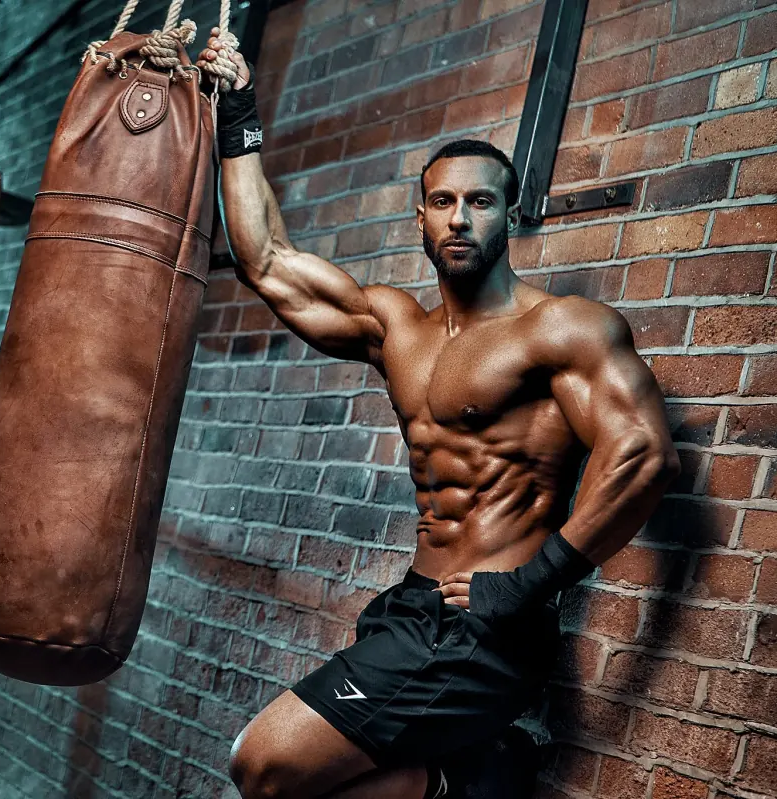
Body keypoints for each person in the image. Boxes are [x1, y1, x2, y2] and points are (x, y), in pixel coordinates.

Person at [199, 32, 680, 799]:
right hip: (412, 607)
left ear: (509, 216)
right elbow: (267, 262)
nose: (460, 218)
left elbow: (644, 457)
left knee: (262, 763)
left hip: (487, 625)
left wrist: (530, 583)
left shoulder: (561, 329)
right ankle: (473, 782)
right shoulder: (396, 328)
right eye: (444, 201)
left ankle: (481, 772)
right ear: (419, 217)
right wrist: (238, 114)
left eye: (480, 202)